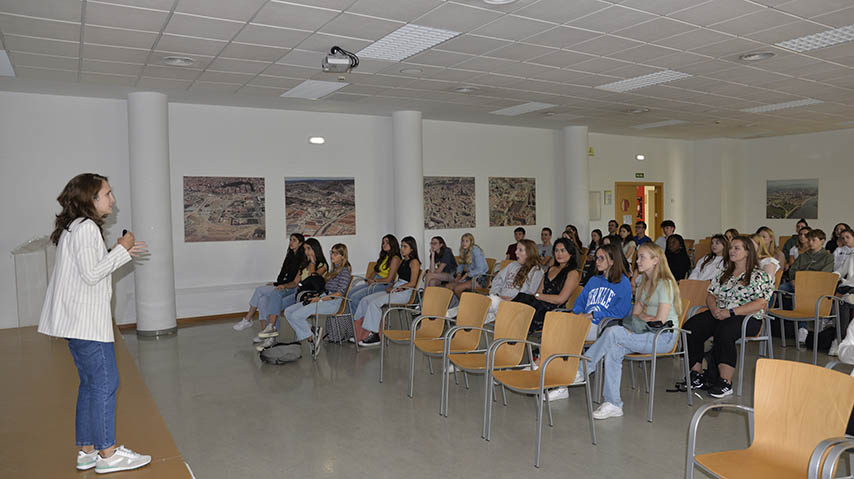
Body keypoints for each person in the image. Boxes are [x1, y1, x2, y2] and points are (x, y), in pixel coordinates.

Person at [38, 173, 151, 474]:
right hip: (87, 324)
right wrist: (122, 250)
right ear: (91, 198)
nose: (113, 199)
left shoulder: (74, 228)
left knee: (90, 386)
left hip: (76, 324)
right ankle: (108, 454)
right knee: (105, 384)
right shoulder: (87, 229)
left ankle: (87, 451)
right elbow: (91, 274)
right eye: (108, 193)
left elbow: (88, 270)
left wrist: (118, 253)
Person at [564, 243, 683, 416]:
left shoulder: (665, 284)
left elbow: (659, 321)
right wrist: (643, 318)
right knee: (614, 346)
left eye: (642, 257)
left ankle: (583, 371)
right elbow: (635, 315)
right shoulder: (643, 282)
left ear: (655, 260)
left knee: (613, 332)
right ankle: (614, 404)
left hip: (663, 337)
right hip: (644, 332)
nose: (637, 261)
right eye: (637, 257)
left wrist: (642, 318)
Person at [684, 236, 773, 398]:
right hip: (720, 313)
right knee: (692, 326)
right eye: (731, 248)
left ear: (747, 252)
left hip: (748, 317)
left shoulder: (759, 275)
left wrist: (731, 312)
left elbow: (760, 303)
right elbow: (711, 295)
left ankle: (725, 382)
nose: (731, 251)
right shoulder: (724, 273)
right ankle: (696, 373)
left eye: (736, 248)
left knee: (724, 331)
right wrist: (714, 309)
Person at [254, 237, 327, 345]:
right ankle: (270, 330)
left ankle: (271, 332)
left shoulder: (322, 265)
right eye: (305, 249)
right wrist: (284, 285)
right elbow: (295, 282)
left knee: (274, 303)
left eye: (308, 249)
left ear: (315, 249)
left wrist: (312, 263)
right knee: (269, 299)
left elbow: (313, 278)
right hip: (298, 293)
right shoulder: (304, 265)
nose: (306, 252)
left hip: (309, 296)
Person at [281, 243, 352, 353]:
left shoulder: (345, 271)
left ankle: (311, 338)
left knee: (296, 316)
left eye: (336, 253)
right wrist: (318, 296)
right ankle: (312, 333)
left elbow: (339, 294)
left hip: (333, 303)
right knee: (288, 311)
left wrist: (320, 299)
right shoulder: (334, 271)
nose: (332, 255)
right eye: (331, 252)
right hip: (324, 298)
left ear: (343, 256)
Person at [356, 236, 422, 347]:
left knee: (375, 303)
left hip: (405, 292)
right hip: (397, 287)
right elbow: (397, 278)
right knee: (365, 300)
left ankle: (375, 335)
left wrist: (398, 288)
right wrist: (393, 286)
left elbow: (413, 283)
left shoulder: (414, 262)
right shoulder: (403, 261)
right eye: (401, 246)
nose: (402, 248)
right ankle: (360, 333)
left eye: (405, 246)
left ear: (412, 249)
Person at [234, 233, 306, 331]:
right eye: (290, 240)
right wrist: (276, 283)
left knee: (259, 290)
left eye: (294, 240)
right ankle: (265, 332)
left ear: (300, 243)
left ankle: (247, 319)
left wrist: (278, 284)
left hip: (290, 288)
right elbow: (282, 273)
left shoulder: (302, 259)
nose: (291, 242)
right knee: (263, 300)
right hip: (282, 285)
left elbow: (293, 280)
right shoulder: (290, 255)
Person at [514, 238, 580, 333]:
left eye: (562, 250)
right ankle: (511, 332)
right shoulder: (551, 269)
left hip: (554, 309)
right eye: (556, 250)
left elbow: (561, 299)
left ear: (571, 253)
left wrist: (539, 296)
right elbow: (538, 292)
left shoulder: (573, 273)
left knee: (525, 309)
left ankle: (515, 334)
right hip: (540, 303)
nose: (559, 254)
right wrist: (538, 296)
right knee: (521, 297)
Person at [572, 243, 633, 342]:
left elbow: (620, 312)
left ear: (612, 261)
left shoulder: (623, 283)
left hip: (602, 325)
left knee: (565, 332)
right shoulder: (593, 280)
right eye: (596, 258)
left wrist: (593, 315)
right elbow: (580, 302)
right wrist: (580, 313)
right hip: (584, 321)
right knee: (557, 325)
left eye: (602, 258)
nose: (597, 261)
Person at [784, 229, 834, 344]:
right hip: (796, 283)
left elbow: (824, 274)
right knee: (778, 289)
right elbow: (793, 270)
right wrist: (793, 280)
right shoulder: (803, 256)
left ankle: (803, 327)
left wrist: (803, 282)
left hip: (814, 286)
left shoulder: (828, 257)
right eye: (809, 240)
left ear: (822, 241)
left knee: (800, 295)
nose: (810, 243)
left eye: (814, 240)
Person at [486, 239, 544, 323]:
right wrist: (496, 293)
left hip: (516, 305)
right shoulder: (512, 265)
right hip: (499, 300)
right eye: (516, 249)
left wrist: (512, 299)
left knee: (485, 306)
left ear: (529, 253)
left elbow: (531, 293)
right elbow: (498, 280)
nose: (516, 252)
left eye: (520, 250)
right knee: (478, 306)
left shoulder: (536, 271)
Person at [348, 235, 401, 314]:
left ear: (393, 244)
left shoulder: (395, 258)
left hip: (384, 284)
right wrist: (369, 279)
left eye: (387, 242)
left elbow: (389, 279)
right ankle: (349, 319)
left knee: (355, 297)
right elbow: (376, 271)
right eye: (383, 242)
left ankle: (356, 322)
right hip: (375, 282)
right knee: (349, 293)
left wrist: (375, 281)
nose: (384, 244)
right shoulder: (384, 256)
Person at [447, 233, 489, 300]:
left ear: (471, 242)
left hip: (480, 278)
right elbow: (461, 264)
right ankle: (460, 304)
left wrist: (467, 274)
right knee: (448, 286)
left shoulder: (476, 250)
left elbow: (480, 269)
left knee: (457, 289)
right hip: (470, 277)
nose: (464, 243)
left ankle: (466, 306)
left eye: (467, 241)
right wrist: (458, 274)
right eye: (463, 241)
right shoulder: (464, 250)